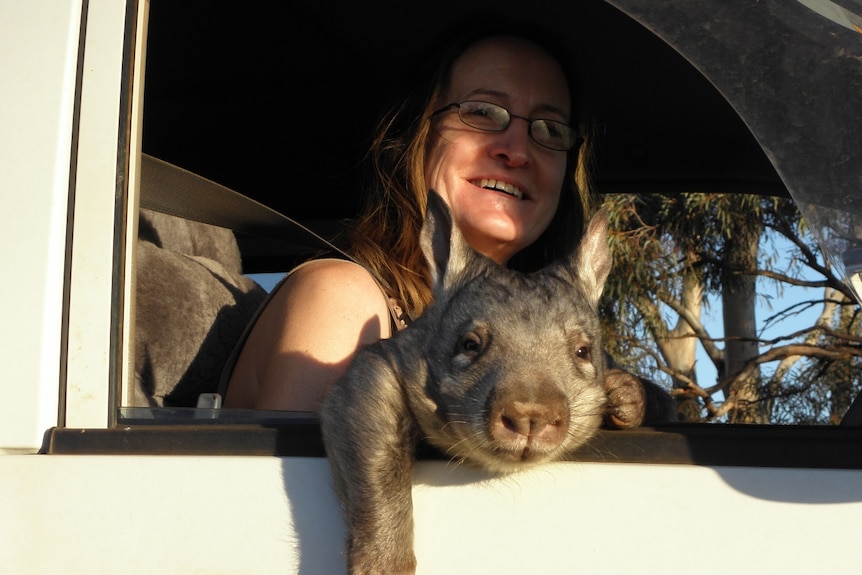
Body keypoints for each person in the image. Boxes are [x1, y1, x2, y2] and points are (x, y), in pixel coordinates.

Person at [222, 20, 597, 412]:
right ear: (418, 135)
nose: (517, 150)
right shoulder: (343, 299)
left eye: (551, 130)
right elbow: (313, 474)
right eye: (483, 111)